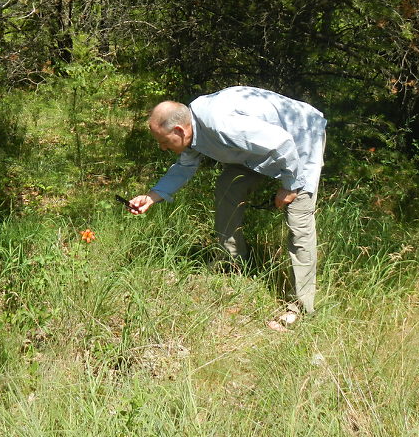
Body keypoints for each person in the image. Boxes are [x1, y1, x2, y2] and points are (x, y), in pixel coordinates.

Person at [127, 85, 327, 324]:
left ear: (179, 130)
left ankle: (301, 307)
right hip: (263, 148)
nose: (162, 147)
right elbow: (184, 167)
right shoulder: (194, 128)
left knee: (299, 222)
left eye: (163, 141)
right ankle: (233, 260)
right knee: (229, 186)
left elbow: (283, 143)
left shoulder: (220, 124)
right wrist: (152, 196)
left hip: (299, 137)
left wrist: (290, 186)